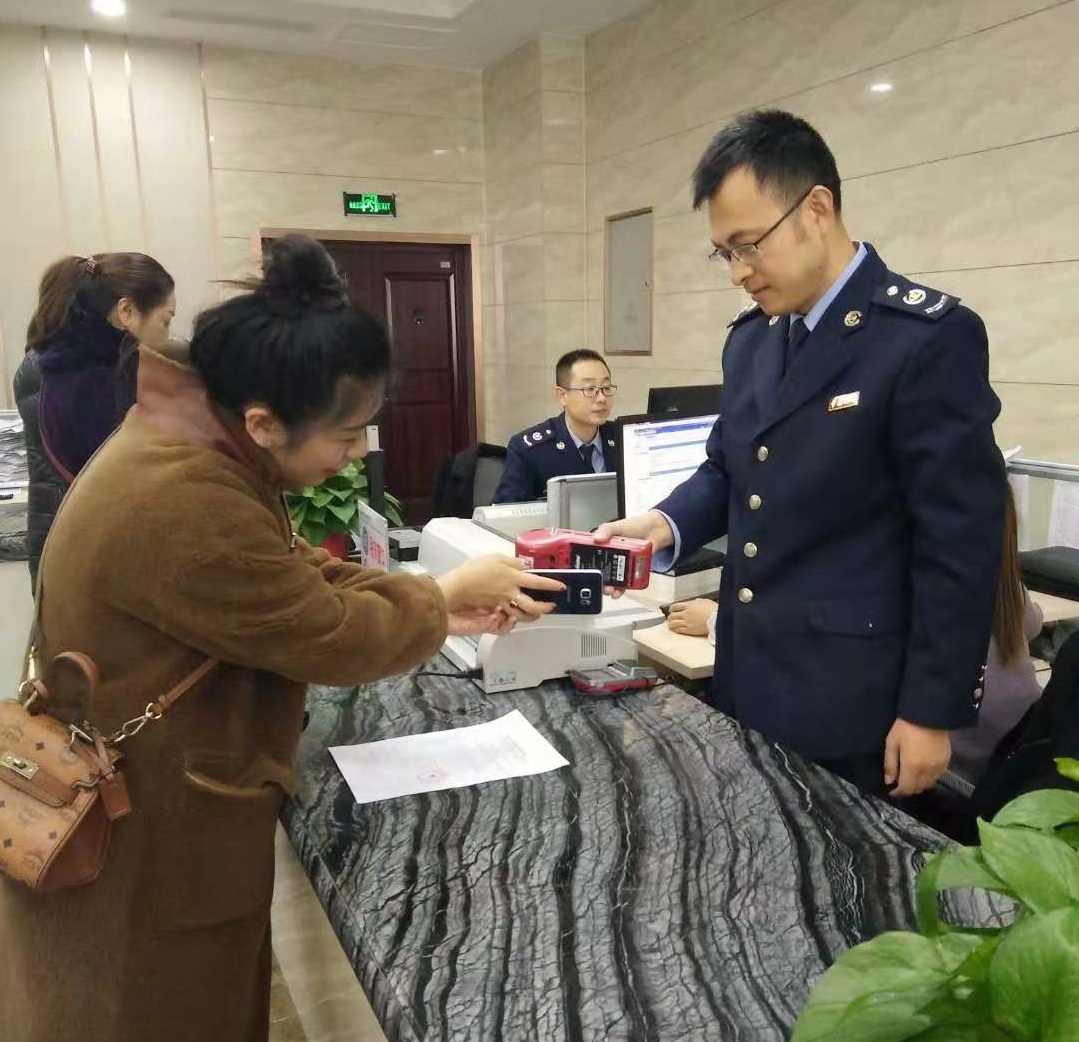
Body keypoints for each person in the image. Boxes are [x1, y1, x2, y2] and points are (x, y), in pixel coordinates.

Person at [0, 235, 562, 1042]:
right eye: (346, 435)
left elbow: (290, 570)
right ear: (264, 422)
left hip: (141, 809)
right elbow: (324, 631)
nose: (357, 455)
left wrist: (436, 600)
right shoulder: (185, 497)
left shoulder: (191, 443)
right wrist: (437, 602)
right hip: (143, 841)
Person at [597, 110, 1005, 799]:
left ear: (816, 208)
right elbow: (730, 468)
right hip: (746, 673)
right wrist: (662, 525)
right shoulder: (752, 340)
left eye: (748, 246)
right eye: (724, 253)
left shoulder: (922, 338)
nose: (739, 273)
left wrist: (930, 711)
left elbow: (959, 540)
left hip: (856, 699)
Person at [12, 252, 176, 586]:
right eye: (166, 321)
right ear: (127, 312)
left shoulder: (59, 360)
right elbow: (123, 481)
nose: (166, 337)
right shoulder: (88, 377)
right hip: (87, 558)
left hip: (63, 547)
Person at [949, 486, 1044, 785]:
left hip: (961, 779)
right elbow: (1034, 624)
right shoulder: (1009, 588)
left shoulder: (921, 594)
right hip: (1026, 750)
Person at [494, 349, 621, 503]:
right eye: (590, 389)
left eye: (606, 388)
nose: (601, 398)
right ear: (562, 396)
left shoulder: (623, 437)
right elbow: (506, 511)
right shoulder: (529, 450)